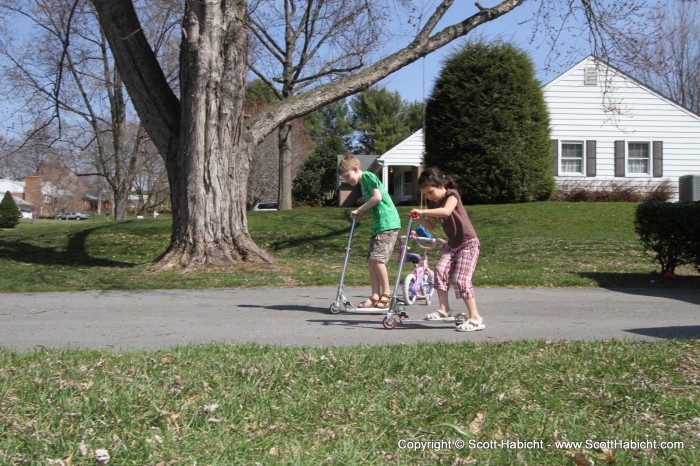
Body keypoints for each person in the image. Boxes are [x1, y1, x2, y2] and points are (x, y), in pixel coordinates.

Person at [409, 167, 485, 332]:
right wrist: (420, 218)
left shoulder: (452, 195)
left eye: (430, 192)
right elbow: (431, 225)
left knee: (461, 279)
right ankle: (444, 309)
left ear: (441, 184)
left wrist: (422, 210)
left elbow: (446, 211)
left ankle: (475, 318)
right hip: (453, 244)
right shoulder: (432, 203)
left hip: (468, 243)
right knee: (440, 270)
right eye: (426, 195)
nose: (429, 196)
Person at [338, 154, 401, 309]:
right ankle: (374, 296)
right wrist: (361, 213)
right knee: (372, 260)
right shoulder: (363, 184)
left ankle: (386, 294)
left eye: (347, 176)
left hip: (388, 223)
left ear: (356, 169)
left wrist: (359, 208)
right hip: (379, 225)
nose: (347, 180)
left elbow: (377, 198)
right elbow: (373, 205)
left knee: (378, 260)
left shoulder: (367, 176)